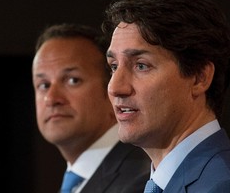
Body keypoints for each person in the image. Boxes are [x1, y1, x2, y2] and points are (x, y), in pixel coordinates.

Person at [102, 0, 230, 192]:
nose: (116, 87)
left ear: (199, 78)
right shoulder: (162, 183)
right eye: (114, 66)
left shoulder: (228, 187)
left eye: (141, 65)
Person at [32, 23, 150, 193]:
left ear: (111, 88)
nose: (51, 98)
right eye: (43, 85)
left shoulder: (141, 180)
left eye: (73, 80)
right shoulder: (76, 181)